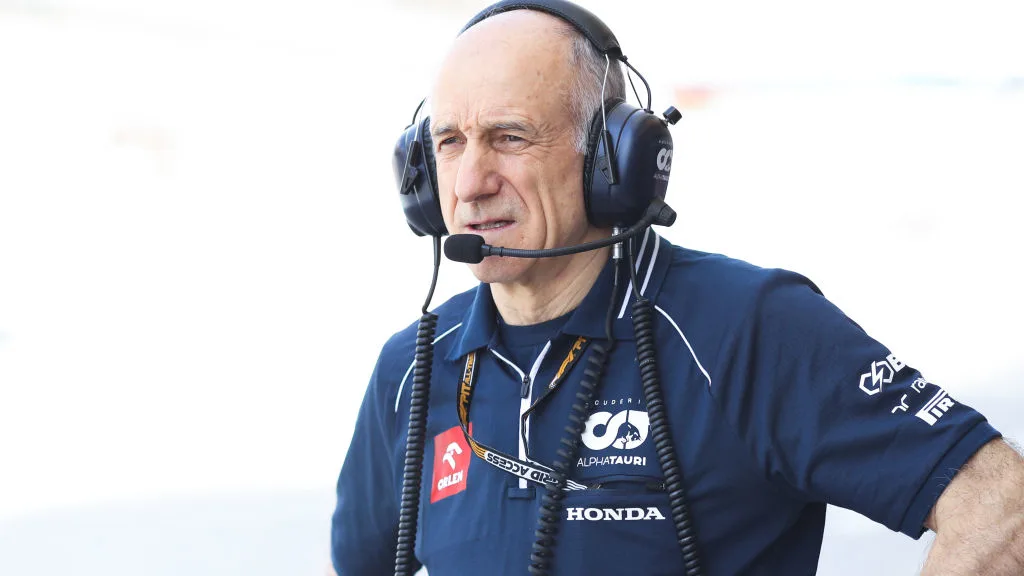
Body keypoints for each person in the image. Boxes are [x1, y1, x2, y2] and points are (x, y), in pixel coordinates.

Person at [330, 1, 1024, 574]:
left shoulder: (749, 329)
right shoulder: (410, 370)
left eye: (510, 137)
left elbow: (1001, 506)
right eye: (449, 142)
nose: (470, 182)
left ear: (611, 159)